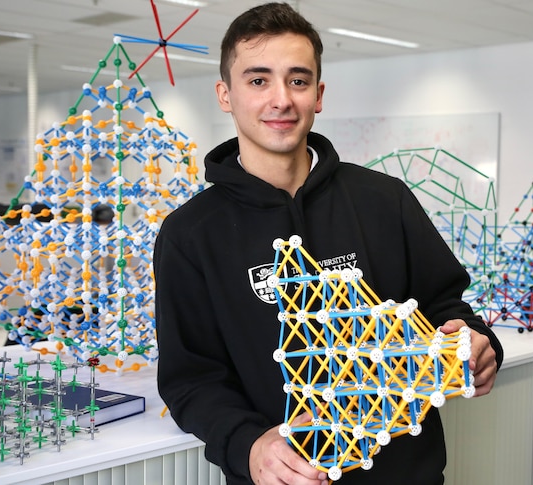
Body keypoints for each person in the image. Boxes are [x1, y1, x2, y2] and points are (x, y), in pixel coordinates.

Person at [154, 3, 504, 484]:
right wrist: (249, 446)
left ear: (318, 95)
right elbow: (191, 380)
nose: (281, 100)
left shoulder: (385, 199)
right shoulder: (190, 234)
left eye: (297, 81)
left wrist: (477, 343)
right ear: (225, 95)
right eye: (258, 80)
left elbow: (446, 305)